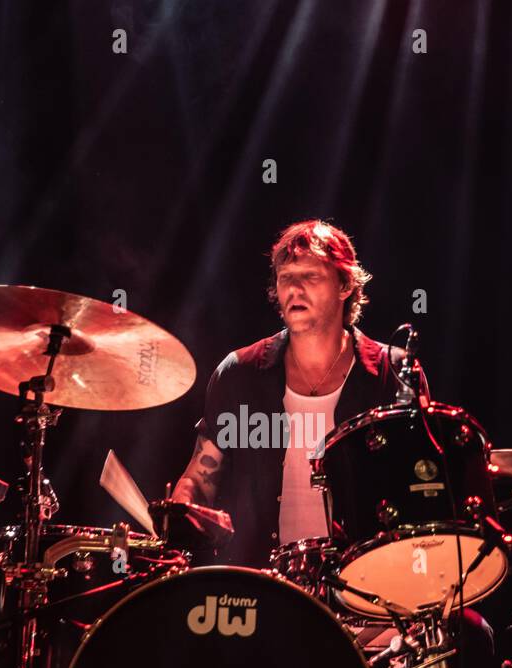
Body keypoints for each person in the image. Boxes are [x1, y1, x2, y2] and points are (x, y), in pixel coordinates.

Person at [173, 219, 420, 566]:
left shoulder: (392, 373)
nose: (295, 289)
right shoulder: (239, 373)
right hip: (264, 586)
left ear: (345, 284)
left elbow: (421, 488)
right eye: (286, 277)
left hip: (368, 587)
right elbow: (200, 476)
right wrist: (182, 508)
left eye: (310, 277)